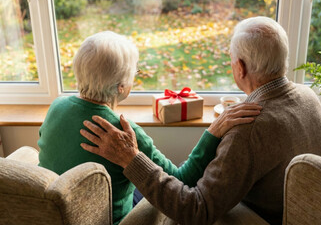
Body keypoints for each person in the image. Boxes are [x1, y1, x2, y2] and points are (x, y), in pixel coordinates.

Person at [80, 17, 321, 225]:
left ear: (240, 68)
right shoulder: (309, 96)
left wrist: (131, 159)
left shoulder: (249, 128)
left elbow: (195, 210)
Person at [37, 31, 262, 224]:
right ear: (122, 87)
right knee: (157, 188)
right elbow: (181, 180)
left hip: (57, 214)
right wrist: (213, 132)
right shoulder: (125, 134)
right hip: (109, 219)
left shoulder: (56, 106)